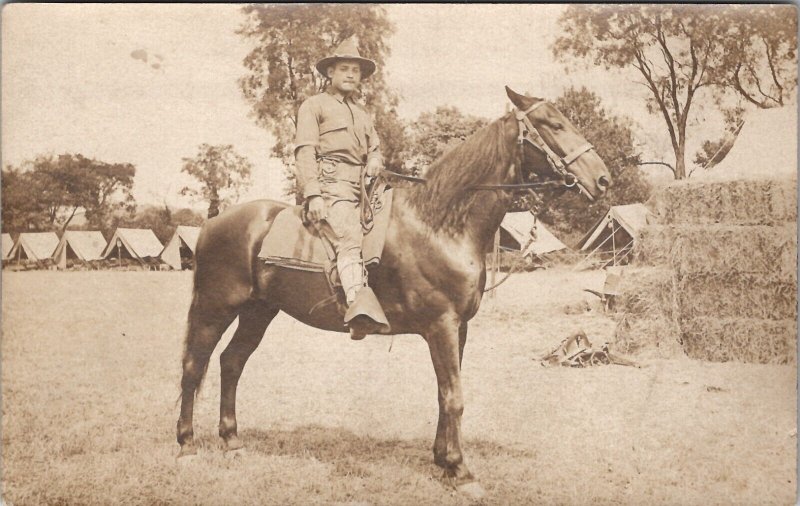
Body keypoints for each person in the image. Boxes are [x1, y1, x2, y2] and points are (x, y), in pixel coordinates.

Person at [293, 36, 390, 340]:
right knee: (349, 238)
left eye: (356, 71)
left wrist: (374, 159)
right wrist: (313, 194)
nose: (350, 74)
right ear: (330, 73)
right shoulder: (314, 105)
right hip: (330, 186)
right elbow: (304, 151)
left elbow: (375, 147)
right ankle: (358, 308)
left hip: (363, 189)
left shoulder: (362, 113)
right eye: (344, 68)